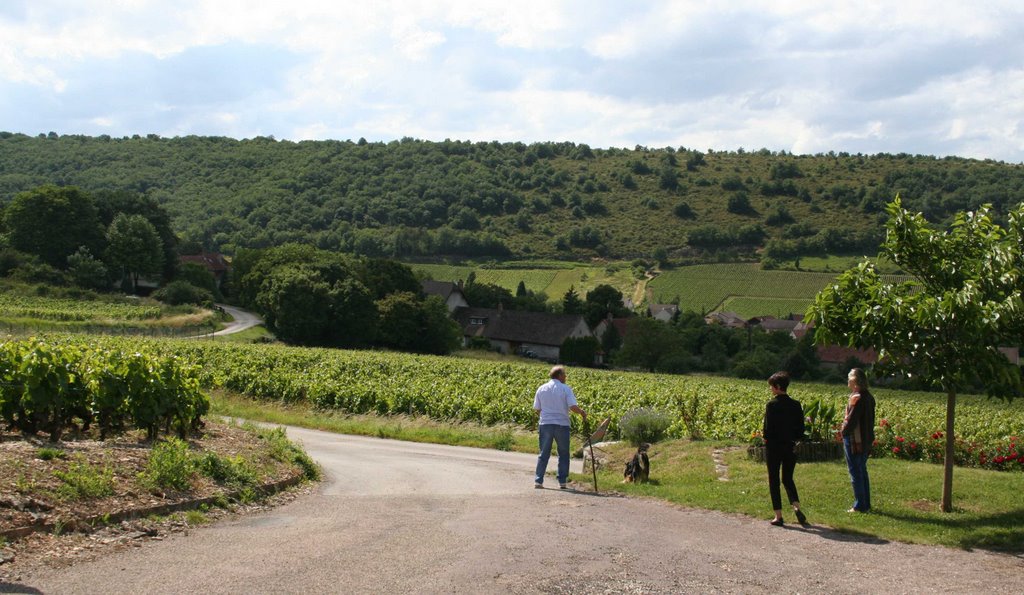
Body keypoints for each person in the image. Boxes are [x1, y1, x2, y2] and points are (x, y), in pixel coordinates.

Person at [762, 371, 807, 526]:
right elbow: (801, 429)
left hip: (774, 447)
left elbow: (767, 430)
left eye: (772, 387)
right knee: (787, 478)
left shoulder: (771, 405)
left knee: (773, 479)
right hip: (790, 446)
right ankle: (796, 506)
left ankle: (778, 516)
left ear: (778, 387)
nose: (770, 389)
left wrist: (766, 439)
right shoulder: (796, 405)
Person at [533, 365, 586, 489]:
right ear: (560, 376)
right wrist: (582, 412)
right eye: (565, 374)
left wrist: (546, 416)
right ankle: (562, 481)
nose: (566, 377)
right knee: (563, 453)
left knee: (543, 453)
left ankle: (538, 480)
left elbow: (537, 409)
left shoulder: (541, 388)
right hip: (562, 424)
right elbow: (573, 407)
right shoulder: (565, 389)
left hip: (545, 424)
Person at [842, 368, 876, 513]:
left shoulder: (857, 398)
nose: (848, 381)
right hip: (867, 439)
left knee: (855, 472)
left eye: (850, 378)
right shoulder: (869, 397)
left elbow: (851, 421)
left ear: (855, 381)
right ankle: (865, 503)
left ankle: (860, 505)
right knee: (862, 471)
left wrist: (843, 431)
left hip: (855, 440)